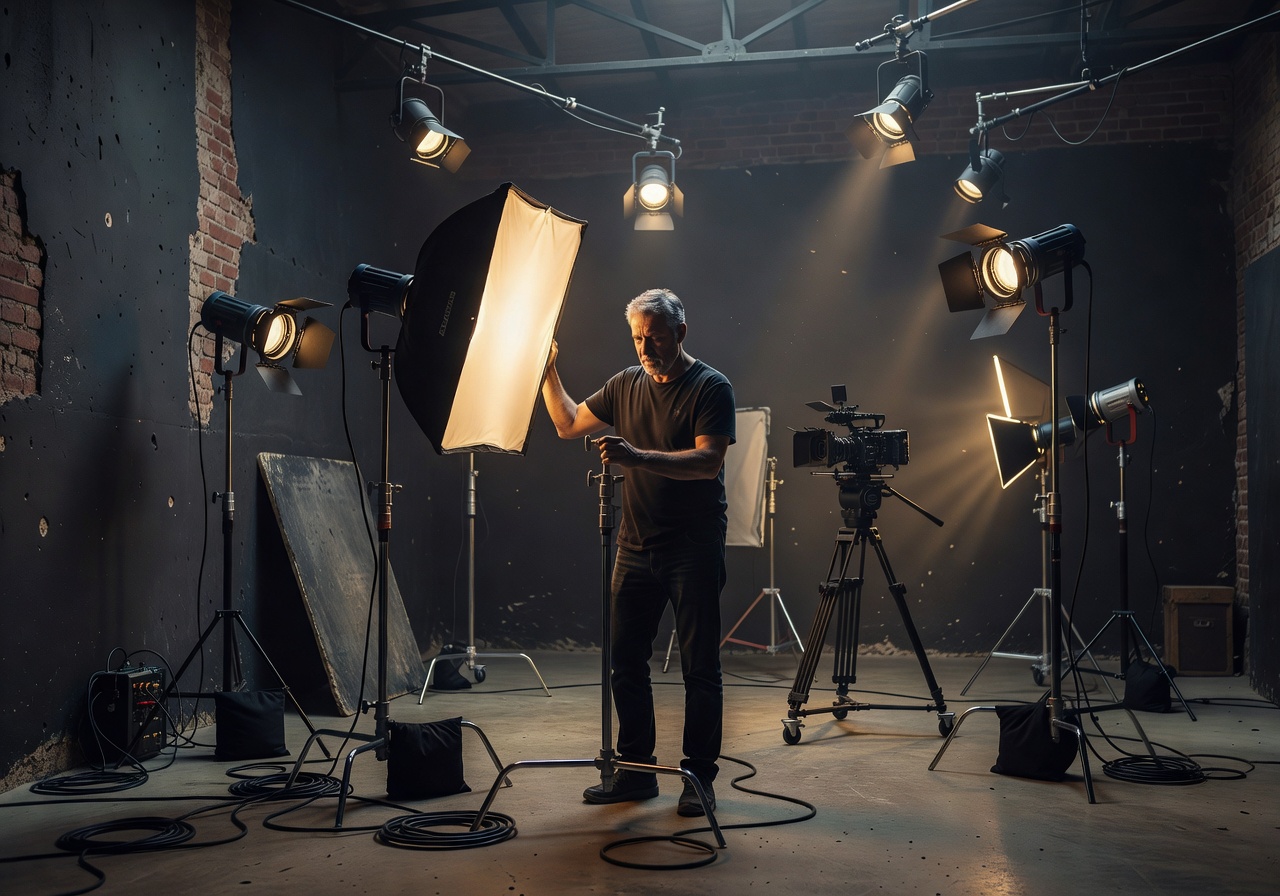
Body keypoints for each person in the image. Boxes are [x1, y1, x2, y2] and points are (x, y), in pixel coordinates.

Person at [541, 288, 735, 817]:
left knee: (700, 666)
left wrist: (635, 456)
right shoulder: (625, 385)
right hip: (635, 543)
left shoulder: (711, 387)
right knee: (625, 660)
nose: (645, 348)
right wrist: (547, 371)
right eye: (637, 338)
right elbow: (566, 424)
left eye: (655, 337)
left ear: (681, 333)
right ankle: (635, 770)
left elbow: (707, 463)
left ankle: (698, 777)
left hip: (693, 546)